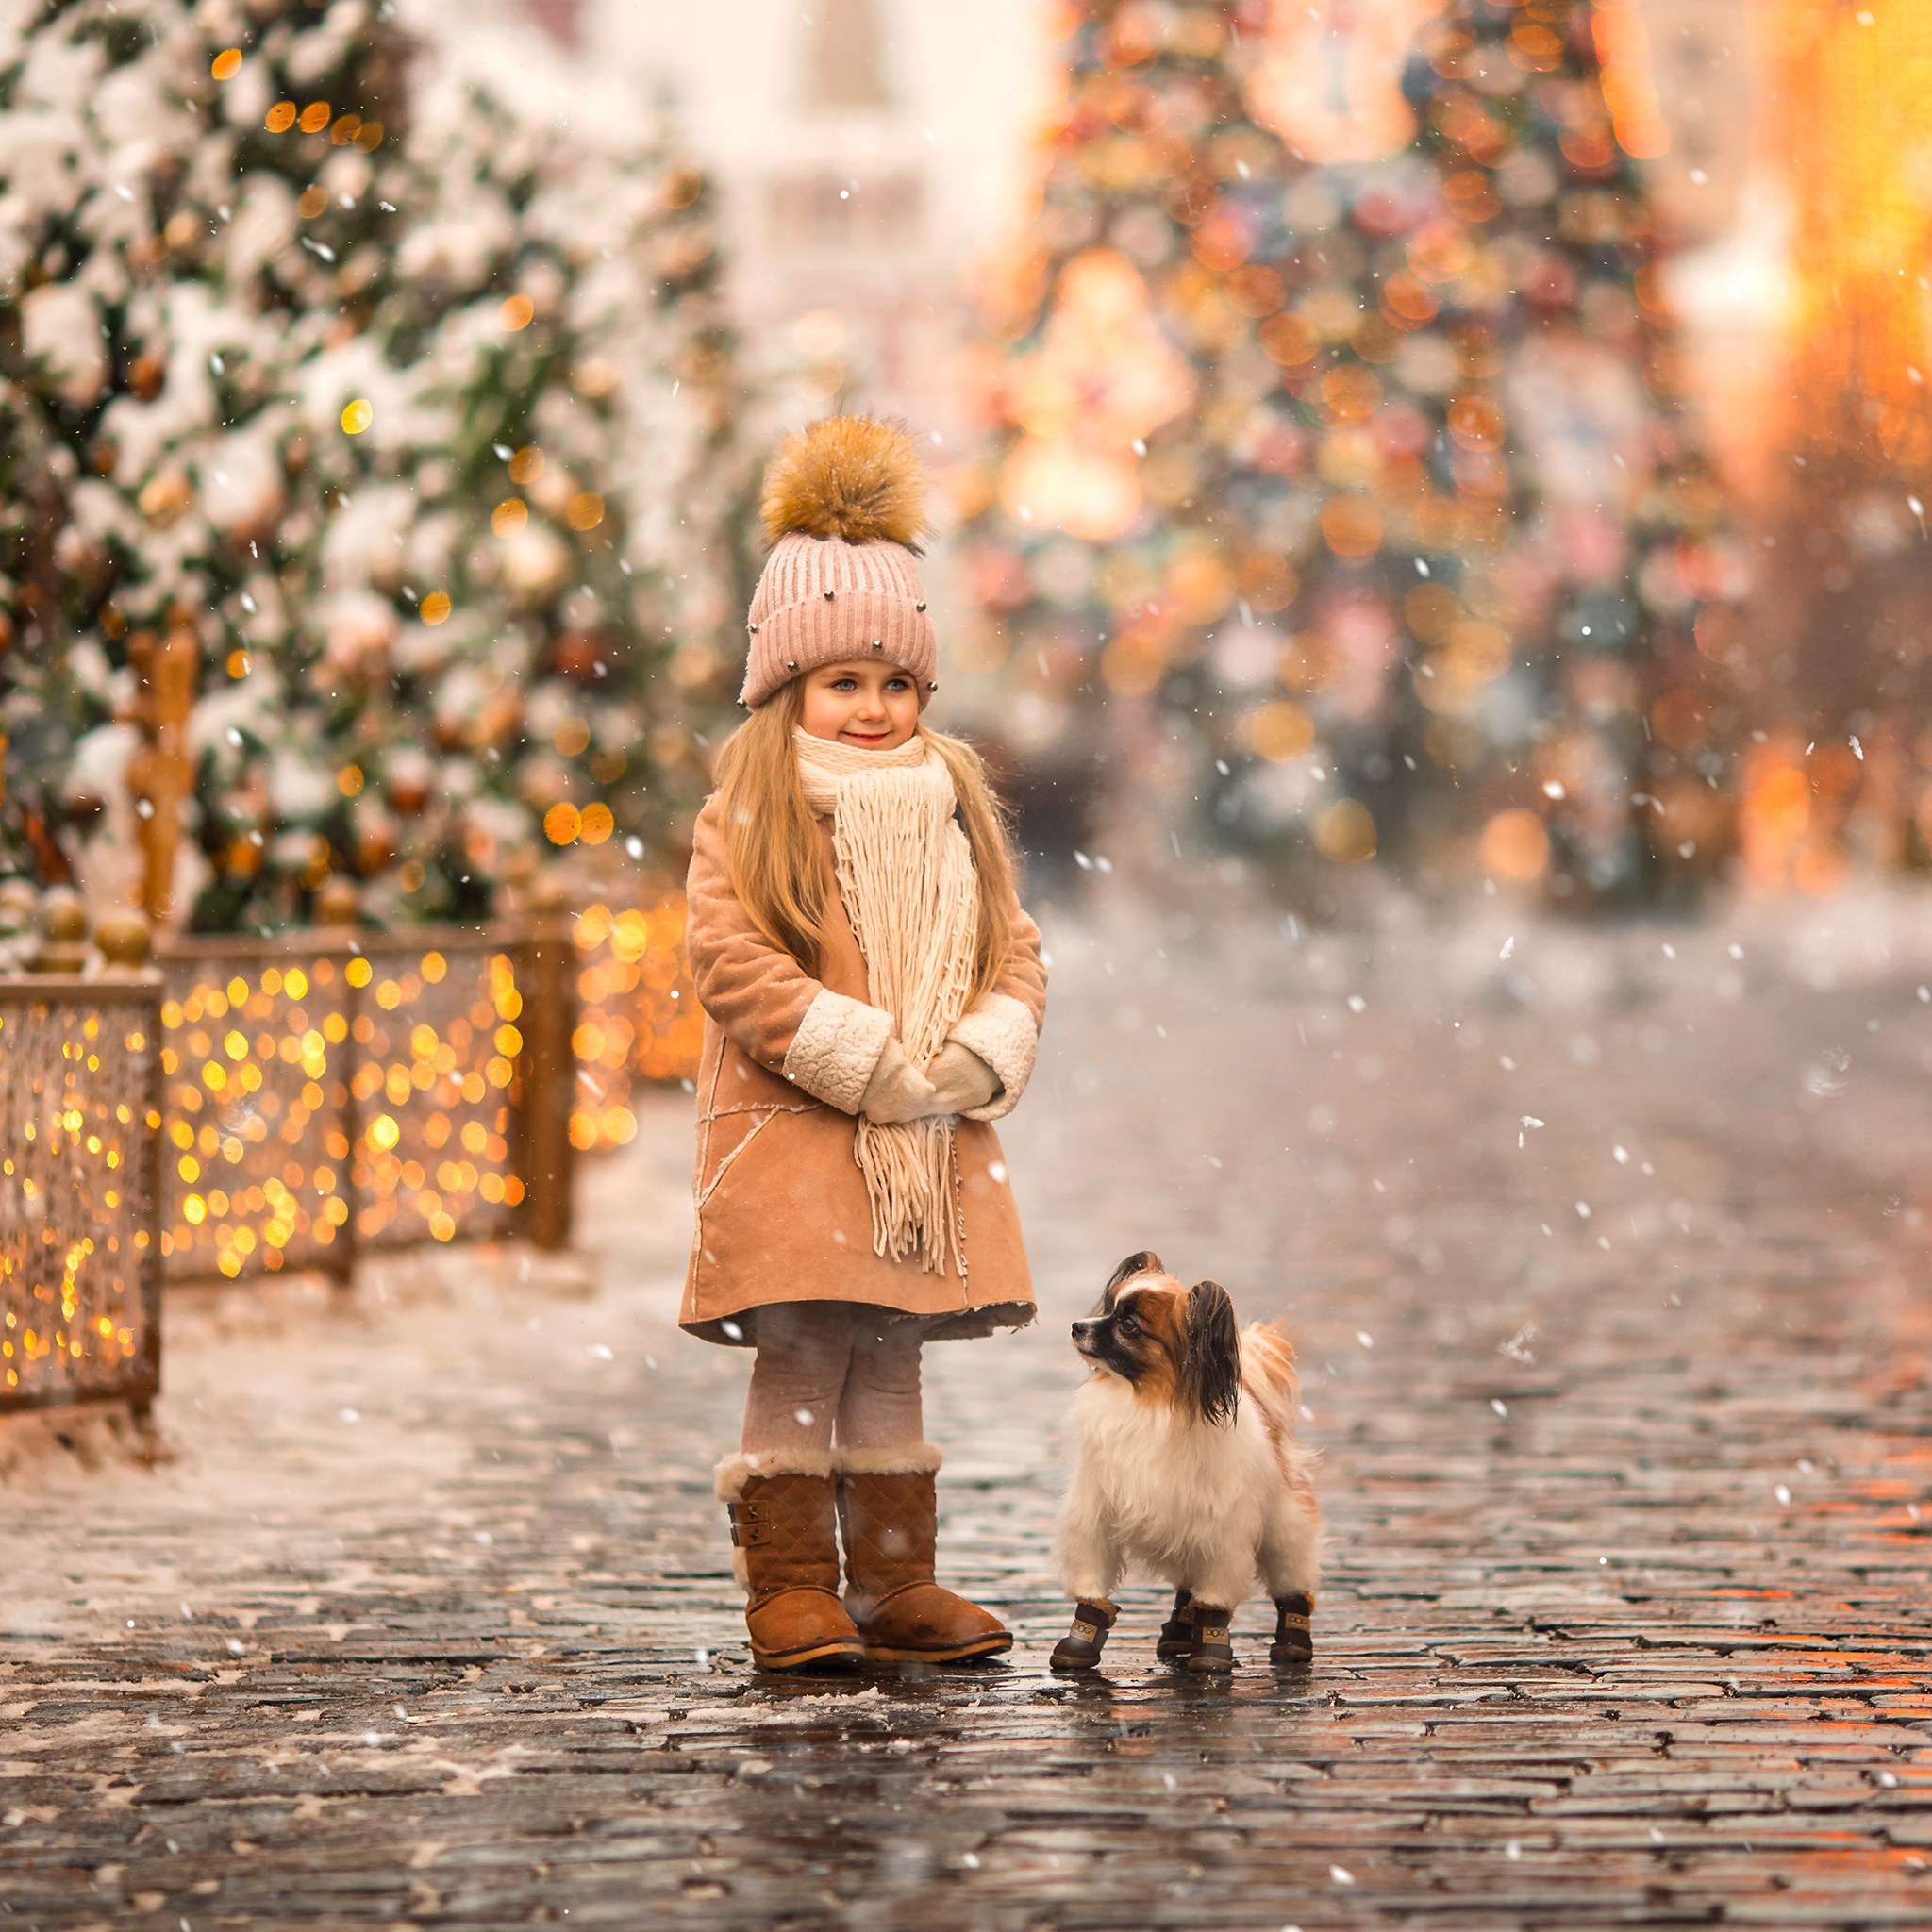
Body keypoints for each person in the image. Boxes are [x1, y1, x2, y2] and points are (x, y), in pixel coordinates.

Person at [681, 415, 1048, 1672]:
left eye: (897, 683)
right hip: (798, 1130)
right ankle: (789, 1582)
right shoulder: (754, 805)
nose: (876, 706)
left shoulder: (953, 805)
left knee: (889, 1351)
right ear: (787, 685)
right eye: (845, 682)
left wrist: (974, 1052)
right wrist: (855, 1051)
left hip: (923, 1138)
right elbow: (734, 964)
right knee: (804, 1348)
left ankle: (897, 1582)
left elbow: (1013, 948)